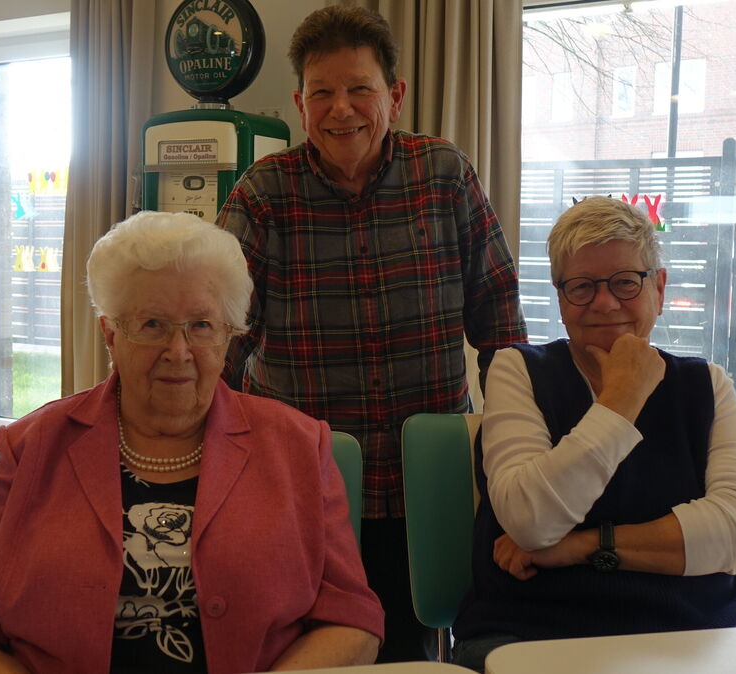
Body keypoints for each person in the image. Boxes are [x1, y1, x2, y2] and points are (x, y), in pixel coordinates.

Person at [0, 211, 384, 673]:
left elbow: (351, 617)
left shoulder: (299, 446)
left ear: (228, 336)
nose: (178, 351)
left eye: (201, 325)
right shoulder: (30, 448)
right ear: (110, 334)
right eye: (152, 324)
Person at [217, 6, 527, 661]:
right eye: (321, 92)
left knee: (413, 643)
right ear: (300, 104)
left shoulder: (444, 174)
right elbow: (223, 334)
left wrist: (516, 446)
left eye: (360, 88)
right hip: (304, 479)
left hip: (425, 476)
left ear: (395, 94)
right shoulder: (264, 193)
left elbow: (498, 316)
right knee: (305, 644)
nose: (342, 109)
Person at [452, 197, 736, 671]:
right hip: (531, 635)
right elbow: (530, 520)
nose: (604, 303)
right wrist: (621, 400)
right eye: (582, 286)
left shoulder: (706, 384)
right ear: (561, 299)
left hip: (688, 638)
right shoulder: (517, 369)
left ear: (658, 288)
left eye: (626, 282)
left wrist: (581, 546)